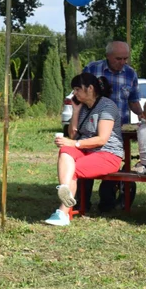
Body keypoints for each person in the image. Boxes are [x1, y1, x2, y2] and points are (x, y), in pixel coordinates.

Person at [44, 73, 124, 226]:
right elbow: (73, 135)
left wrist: (74, 144)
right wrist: (75, 111)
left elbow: (102, 139)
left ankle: (63, 212)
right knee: (64, 151)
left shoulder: (107, 106)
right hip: (87, 152)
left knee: (72, 168)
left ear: (90, 88)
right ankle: (65, 191)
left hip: (108, 154)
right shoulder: (84, 107)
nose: (74, 93)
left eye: (77, 89)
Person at [74, 41, 141, 211]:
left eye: (125, 58)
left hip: (119, 130)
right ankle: (82, 201)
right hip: (92, 125)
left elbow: (133, 101)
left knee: (113, 161)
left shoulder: (130, 74)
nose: (122, 62)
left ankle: (107, 202)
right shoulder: (92, 69)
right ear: (108, 56)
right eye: (118, 58)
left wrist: (143, 116)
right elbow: (80, 93)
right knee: (87, 159)